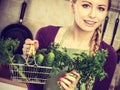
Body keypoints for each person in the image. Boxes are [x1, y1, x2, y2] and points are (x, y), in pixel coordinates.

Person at [22, 0, 117, 90]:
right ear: (72, 6)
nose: (92, 15)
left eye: (100, 8)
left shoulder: (109, 55)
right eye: (86, 5)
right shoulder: (46, 35)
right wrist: (30, 58)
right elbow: (33, 85)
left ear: (106, 13)